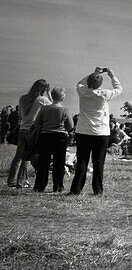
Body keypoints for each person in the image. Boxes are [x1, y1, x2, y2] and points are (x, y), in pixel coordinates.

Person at [69, 67, 124, 196]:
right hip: (101, 132)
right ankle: (98, 190)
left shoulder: (82, 91)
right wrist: (112, 75)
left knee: (82, 161)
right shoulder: (104, 94)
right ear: (100, 84)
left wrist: (94, 73)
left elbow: (79, 83)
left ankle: (76, 189)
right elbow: (119, 89)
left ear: (88, 82)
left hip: (83, 131)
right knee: (98, 162)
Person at [7, 79, 50, 188]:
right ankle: (21, 182)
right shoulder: (42, 100)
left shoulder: (23, 98)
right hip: (32, 130)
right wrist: (49, 93)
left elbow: (20, 115)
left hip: (22, 129)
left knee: (18, 156)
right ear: (43, 90)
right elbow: (53, 106)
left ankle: (11, 180)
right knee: (27, 156)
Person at [32, 87, 73, 193]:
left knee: (43, 163)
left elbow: (37, 123)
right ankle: (58, 185)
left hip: (45, 136)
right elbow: (70, 126)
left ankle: (39, 186)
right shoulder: (65, 110)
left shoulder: (44, 109)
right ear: (62, 97)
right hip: (60, 137)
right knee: (59, 163)